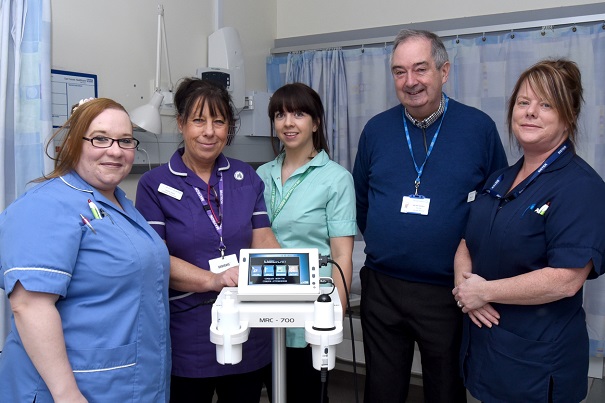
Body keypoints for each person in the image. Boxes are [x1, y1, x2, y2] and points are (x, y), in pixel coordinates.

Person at [352, 29, 508, 403]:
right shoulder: (376, 130)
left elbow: (495, 208)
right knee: (381, 391)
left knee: (445, 390)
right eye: (399, 72)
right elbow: (362, 202)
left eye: (420, 69)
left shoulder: (478, 129)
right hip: (383, 288)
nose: (410, 82)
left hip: (446, 292)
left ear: (444, 71)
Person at [452, 59, 605, 402]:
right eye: (523, 102)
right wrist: (467, 290)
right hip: (487, 354)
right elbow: (466, 240)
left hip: (536, 364)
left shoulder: (581, 187)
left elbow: (566, 279)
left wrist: (486, 291)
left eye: (546, 104)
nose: (531, 112)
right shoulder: (498, 179)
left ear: (569, 115)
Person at [0, 98, 171, 402]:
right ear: (72, 143)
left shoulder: (119, 203)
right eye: (100, 138)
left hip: (128, 380)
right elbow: (29, 306)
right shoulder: (45, 205)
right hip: (74, 387)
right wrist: (67, 394)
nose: (115, 150)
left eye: (125, 140)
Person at [135, 77, 281, 403]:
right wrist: (214, 279)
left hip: (247, 326)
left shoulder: (246, 177)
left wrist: (284, 270)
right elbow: (156, 258)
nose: (209, 131)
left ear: (229, 128)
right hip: (188, 330)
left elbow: (264, 238)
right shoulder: (154, 185)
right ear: (182, 124)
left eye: (219, 121)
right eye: (199, 120)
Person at [257, 82, 357, 403]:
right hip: (263, 307)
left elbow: (342, 254)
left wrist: (333, 318)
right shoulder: (260, 175)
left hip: (311, 311)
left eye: (299, 114)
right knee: (273, 392)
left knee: (306, 394)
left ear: (315, 122)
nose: (288, 122)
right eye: (280, 114)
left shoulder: (336, 179)